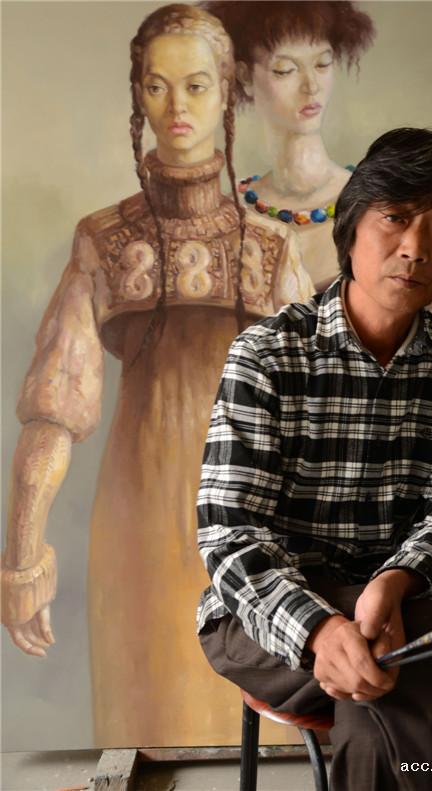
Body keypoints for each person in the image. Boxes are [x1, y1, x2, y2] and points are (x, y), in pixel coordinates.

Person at [1, 4, 313, 747]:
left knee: (268, 740)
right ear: (137, 93)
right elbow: (54, 408)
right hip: (136, 519)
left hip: (258, 520)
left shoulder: (270, 247)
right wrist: (22, 559)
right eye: (157, 86)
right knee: (147, 731)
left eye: (197, 86)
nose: (177, 108)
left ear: (227, 91)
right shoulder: (103, 240)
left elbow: (318, 415)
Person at [197, 127, 432, 789]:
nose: (415, 248)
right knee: (429, 661)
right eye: (395, 218)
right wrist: (320, 628)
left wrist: (389, 586)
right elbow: (230, 535)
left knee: (385, 696)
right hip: (261, 614)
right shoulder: (268, 354)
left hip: (402, 612)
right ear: (352, 227)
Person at [203, 0, 375, 290]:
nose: (311, 86)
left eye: (322, 64)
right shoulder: (228, 216)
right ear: (244, 76)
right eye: (285, 70)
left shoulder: (375, 203)